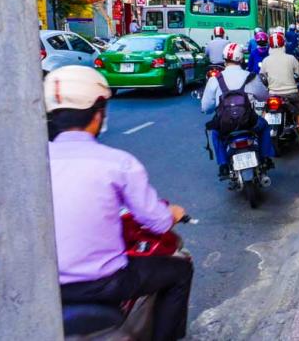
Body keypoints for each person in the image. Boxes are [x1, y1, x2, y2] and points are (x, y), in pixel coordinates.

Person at [47, 66, 192, 341]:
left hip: (44, 285)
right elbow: (158, 222)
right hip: (104, 283)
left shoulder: (31, 162)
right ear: (97, 112)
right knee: (181, 271)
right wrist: (172, 214)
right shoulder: (118, 163)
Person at [201, 43, 275, 178]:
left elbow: (206, 107)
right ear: (241, 59)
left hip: (225, 125)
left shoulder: (215, 79)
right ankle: (265, 158)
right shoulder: (251, 77)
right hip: (249, 123)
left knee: (216, 134)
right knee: (264, 126)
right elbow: (264, 96)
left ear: (224, 59)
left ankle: (223, 165)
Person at [262, 32, 299, 149]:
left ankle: (263, 138)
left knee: (264, 112)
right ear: (284, 44)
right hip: (291, 94)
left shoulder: (266, 60)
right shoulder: (291, 58)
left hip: (273, 94)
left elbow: (262, 76)